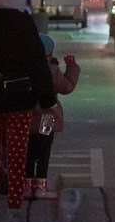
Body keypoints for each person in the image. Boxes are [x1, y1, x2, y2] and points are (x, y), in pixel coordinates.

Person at [0, 0, 55, 222]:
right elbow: (38, 63)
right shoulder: (22, 22)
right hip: (19, 100)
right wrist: (48, 99)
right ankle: (13, 216)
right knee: (17, 156)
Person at [26, 33, 79, 198]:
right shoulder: (52, 69)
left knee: (29, 150)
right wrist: (72, 68)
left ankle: (26, 185)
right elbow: (66, 87)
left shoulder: (25, 66)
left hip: (29, 115)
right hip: (47, 115)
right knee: (44, 150)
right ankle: (40, 186)